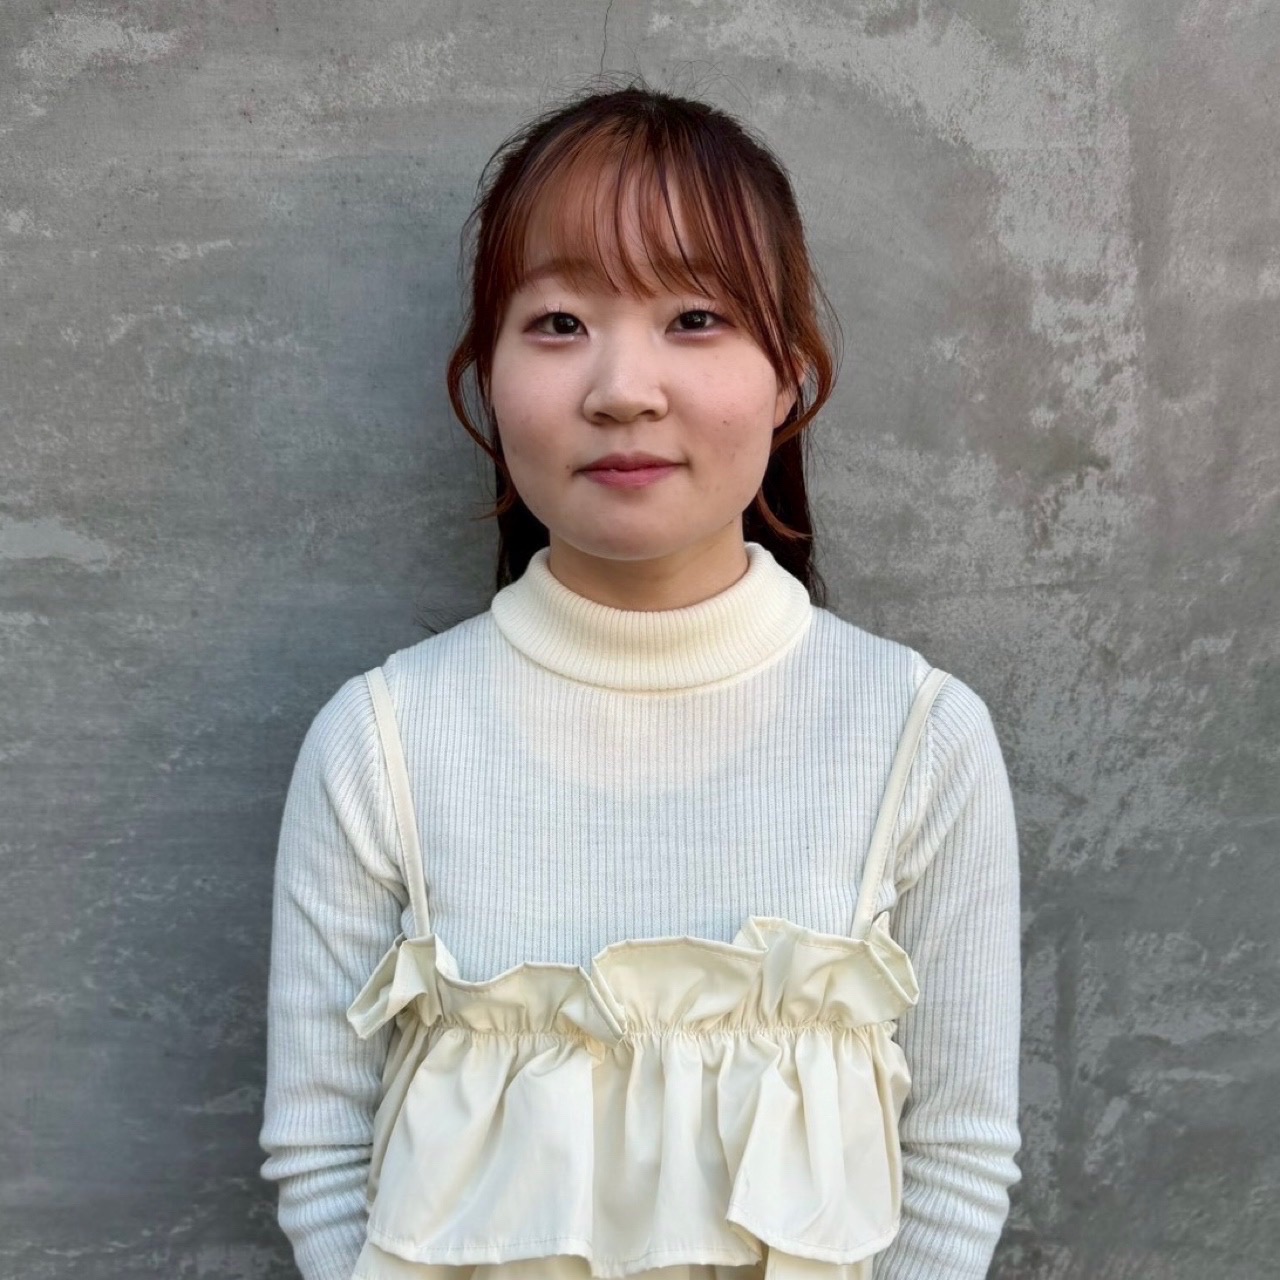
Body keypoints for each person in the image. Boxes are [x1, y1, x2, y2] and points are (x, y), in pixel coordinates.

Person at [259, 79, 1022, 1280]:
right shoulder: (383, 741)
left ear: (789, 376)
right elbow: (320, 1152)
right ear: (486, 375)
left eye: (695, 317)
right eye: (559, 320)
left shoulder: (913, 736)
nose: (622, 387)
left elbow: (956, 1159)